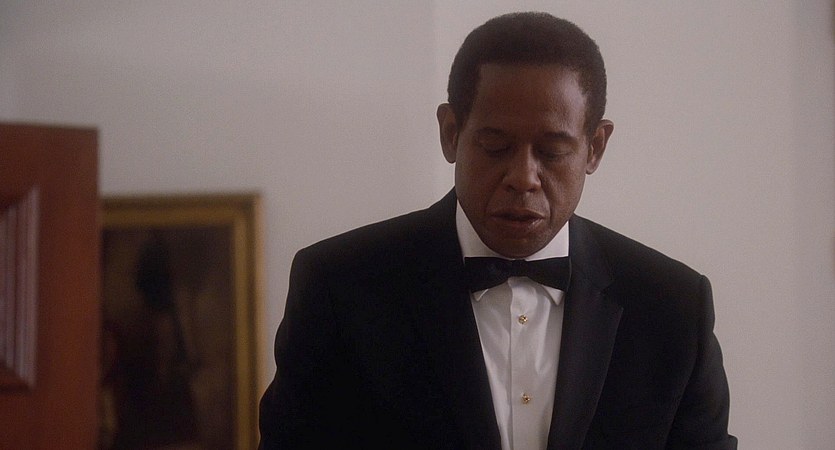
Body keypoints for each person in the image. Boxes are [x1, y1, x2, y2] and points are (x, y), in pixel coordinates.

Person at [259, 11, 737, 450]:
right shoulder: (340, 288)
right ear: (451, 133)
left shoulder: (673, 307)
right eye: (495, 146)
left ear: (595, 147)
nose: (523, 178)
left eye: (552, 152)